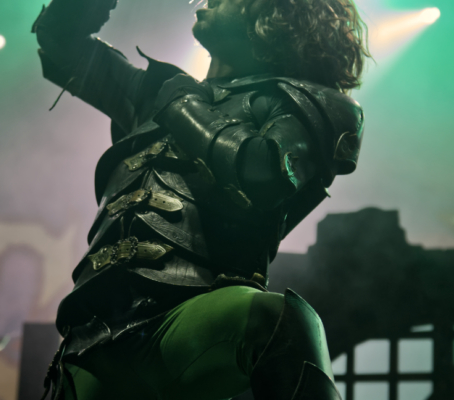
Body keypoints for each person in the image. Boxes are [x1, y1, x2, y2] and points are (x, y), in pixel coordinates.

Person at [32, 0, 370, 398]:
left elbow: (264, 173)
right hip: (91, 339)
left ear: (271, 13)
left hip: (187, 319)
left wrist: (182, 105)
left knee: (280, 322)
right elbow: (59, 39)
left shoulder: (314, 102)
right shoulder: (152, 93)